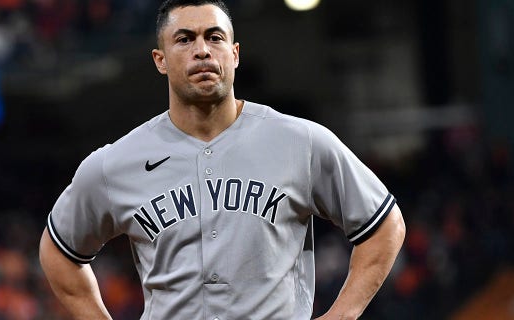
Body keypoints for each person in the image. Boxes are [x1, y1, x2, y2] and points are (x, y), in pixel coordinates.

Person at [38, 0, 406, 319]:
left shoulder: (300, 141)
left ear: (234, 54)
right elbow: (59, 253)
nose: (202, 50)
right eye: (185, 39)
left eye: (214, 37)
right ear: (160, 60)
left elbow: (385, 225)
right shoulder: (116, 162)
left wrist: (342, 314)